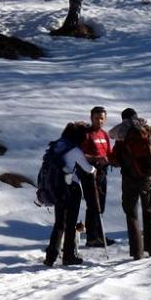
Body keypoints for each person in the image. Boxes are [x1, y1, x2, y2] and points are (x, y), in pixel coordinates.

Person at [109, 108, 151, 259]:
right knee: (149, 213)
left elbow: (115, 160)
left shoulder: (121, 135)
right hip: (148, 179)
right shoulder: (149, 131)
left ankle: (136, 252)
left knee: (132, 215)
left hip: (129, 179)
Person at [45, 122, 96, 267]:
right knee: (71, 223)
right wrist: (94, 169)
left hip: (56, 187)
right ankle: (68, 255)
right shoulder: (75, 150)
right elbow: (88, 168)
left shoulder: (56, 146)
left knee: (59, 223)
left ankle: (51, 256)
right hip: (71, 188)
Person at [79, 106, 115, 247]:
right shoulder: (87, 134)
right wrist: (96, 158)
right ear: (91, 118)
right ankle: (92, 237)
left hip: (102, 173)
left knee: (101, 205)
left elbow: (109, 153)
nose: (99, 121)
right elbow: (81, 155)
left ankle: (100, 235)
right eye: (96, 118)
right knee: (93, 204)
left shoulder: (104, 134)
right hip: (89, 173)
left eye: (102, 118)